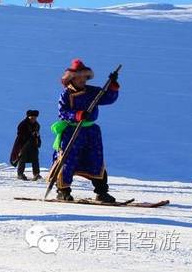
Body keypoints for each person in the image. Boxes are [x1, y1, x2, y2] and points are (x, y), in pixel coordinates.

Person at [51, 59, 120, 202]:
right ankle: (63, 190)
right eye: (79, 77)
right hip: (72, 131)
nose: (82, 80)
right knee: (67, 160)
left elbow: (108, 98)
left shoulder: (92, 91)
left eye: (84, 77)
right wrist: (77, 115)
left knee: (96, 160)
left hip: (91, 132)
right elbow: (63, 112)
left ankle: (101, 192)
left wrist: (112, 86)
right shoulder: (66, 94)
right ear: (72, 78)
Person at [9, 110, 42, 180]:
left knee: (35, 159)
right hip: (23, 145)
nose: (33, 119)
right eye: (32, 118)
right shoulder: (23, 124)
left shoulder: (37, 125)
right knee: (22, 159)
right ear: (28, 117)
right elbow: (20, 134)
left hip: (33, 145)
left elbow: (38, 135)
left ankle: (36, 174)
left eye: (35, 118)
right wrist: (30, 135)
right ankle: (20, 174)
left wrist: (38, 141)